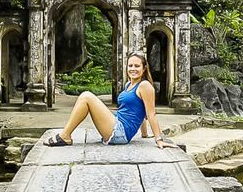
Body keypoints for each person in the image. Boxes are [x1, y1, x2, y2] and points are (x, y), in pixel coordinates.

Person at [44, 51, 178, 148]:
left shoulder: (145, 86)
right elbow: (139, 110)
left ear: (144, 69)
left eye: (137, 66)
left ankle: (65, 136)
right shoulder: (128, 85)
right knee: (84, 98)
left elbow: (150, 113)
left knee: (86, 96)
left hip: (120, 133)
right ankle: (65, 135)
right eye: (130, 66)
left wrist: (158, 139)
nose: (133, 69)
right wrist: (144, 134)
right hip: (116, 124)